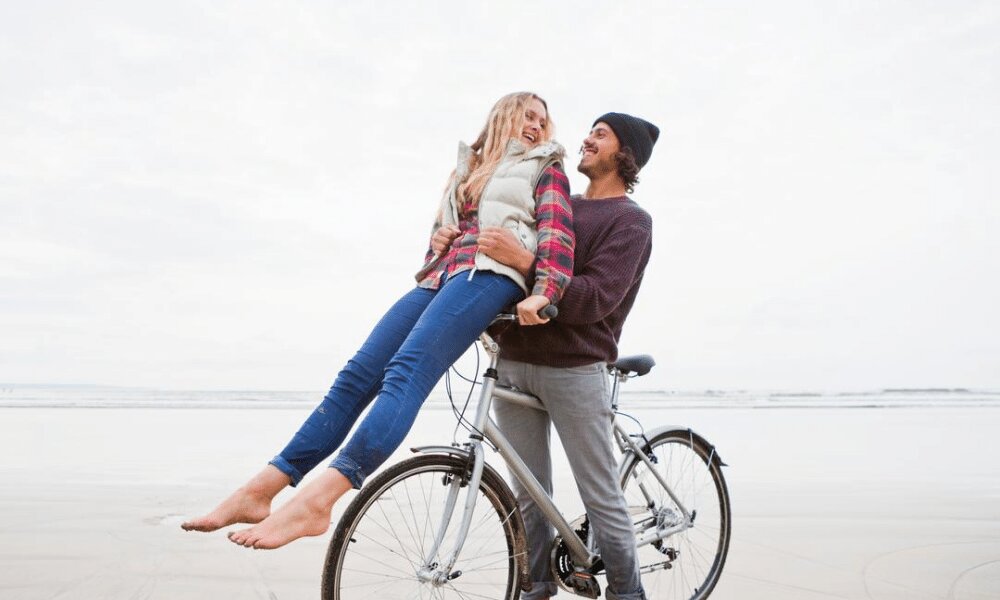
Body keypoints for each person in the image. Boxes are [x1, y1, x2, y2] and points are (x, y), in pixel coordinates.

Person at [180, 91, 575, 549]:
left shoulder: (545, 166)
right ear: (503, 115)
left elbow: (556, 235)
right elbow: (438, 241)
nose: (537, 126)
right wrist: (440, 242)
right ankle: (260, 490)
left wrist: (545, 290)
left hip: (492, 274)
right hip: (442, 277)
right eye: (528, 115)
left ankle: (318, 502)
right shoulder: (466, 169)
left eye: (543, 121)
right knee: (356, 376)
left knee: (405, 373)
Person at [484, 112, 660, 600]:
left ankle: (628, 593)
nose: (586, 139)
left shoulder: (630, 221)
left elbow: (595, 298)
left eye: (600, 135)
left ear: (624, 155)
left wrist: (525, 261)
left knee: (600, 496)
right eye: (590, 131)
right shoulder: (559, 203)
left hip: (575, 365)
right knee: (527, 493)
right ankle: (537, 588)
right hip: (515, 357)